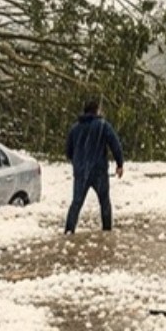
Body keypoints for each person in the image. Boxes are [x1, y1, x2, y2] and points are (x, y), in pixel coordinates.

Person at [63, 99, 124, 234]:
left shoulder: (75, 128)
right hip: (99, 171)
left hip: (81, 172)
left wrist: (77, 162)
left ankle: (69, 230)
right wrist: (119, 164)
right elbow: (115, 144)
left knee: (76, 203)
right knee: (104, 202)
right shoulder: (103, 126)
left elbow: (68, 151)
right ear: (97, 111)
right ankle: (107, 230)